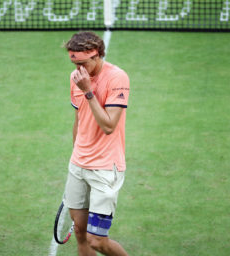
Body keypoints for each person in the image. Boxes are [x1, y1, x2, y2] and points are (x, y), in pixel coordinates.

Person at [63, 31, 130, 256]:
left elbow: (109, 125)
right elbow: (79, 120)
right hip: (78, 165)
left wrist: (88, 92)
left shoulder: (117, 78)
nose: (79, 70)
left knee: (97, 241)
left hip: (104, 169)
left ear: (97, 56)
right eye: (75, 64)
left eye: (83, 64)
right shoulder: (76, 77)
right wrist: (77, 157)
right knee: (81, 233)